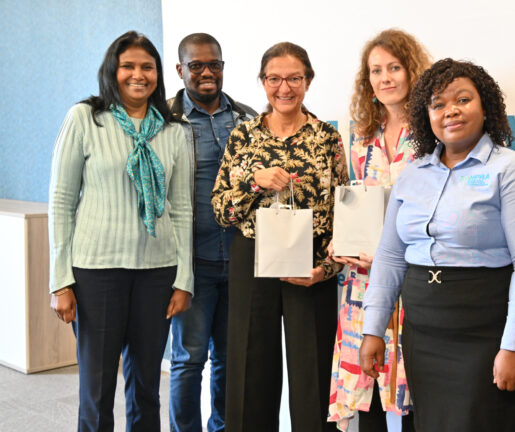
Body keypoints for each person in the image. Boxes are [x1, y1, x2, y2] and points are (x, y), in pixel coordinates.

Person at [360, 58, 515, 432]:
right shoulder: (412, 175)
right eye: (438, 104)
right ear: (426, 116)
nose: (450, 111)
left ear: (485, 106)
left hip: (485, 331)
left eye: (463, 100)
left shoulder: (509, 168)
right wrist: (373, 330)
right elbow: (390, 256)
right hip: (422, 335)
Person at [48, 31, 193, 431]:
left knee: (146, 387)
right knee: (96, 390)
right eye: (128, 66)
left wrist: (184, 279)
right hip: (96, 272)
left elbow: (182, 209)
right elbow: (61, 201)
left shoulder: (174, 130)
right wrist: (60, 281)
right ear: (112, 70)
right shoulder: (85, 118)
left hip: (157, 273)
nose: (138, 75)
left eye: (147, 67)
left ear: (158, 74)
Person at [211, 41, 348, 432]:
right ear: (262, 81)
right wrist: (254, 183)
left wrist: (326, 269)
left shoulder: (327, 138)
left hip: (311, 259)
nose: (284, 88)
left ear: (308, 81)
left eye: (294, 78)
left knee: (313, 371)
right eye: (274, 78)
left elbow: (344, 214)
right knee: (250, 368)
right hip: (253, 255)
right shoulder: (243, 137)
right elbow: (221, 210)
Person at [327, 29, 429, 432]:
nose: (385, 78)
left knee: (413, 390)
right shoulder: (362, 135)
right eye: (376, 70)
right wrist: (343, 241)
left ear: (412, 71)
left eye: (394, 68)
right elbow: (357, 202)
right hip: (364, 280)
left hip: (414, 276)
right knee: (365, 385)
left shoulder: (432, 131)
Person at [167, 32, 256, 432]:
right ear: (180, 69)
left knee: (230, 359)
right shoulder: (165, 120)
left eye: (214, 65)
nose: (207, 73)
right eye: (196, 65)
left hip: (239, 261)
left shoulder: (246, 118)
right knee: (188, 360)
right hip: (192, 264)